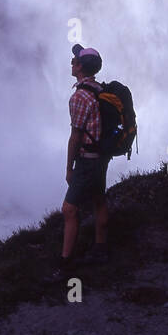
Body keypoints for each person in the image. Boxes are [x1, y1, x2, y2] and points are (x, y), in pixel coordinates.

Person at [48, 43, 110, 281]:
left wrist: (68, 168)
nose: (71, 64)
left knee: (69, 209)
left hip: (87, 159)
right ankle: (101, 249)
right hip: (101, 156)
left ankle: (65, 263)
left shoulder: (80, 97)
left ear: (80, 67)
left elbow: (75, 136)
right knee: (98, 199)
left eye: (74, 62)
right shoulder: (99, 89)